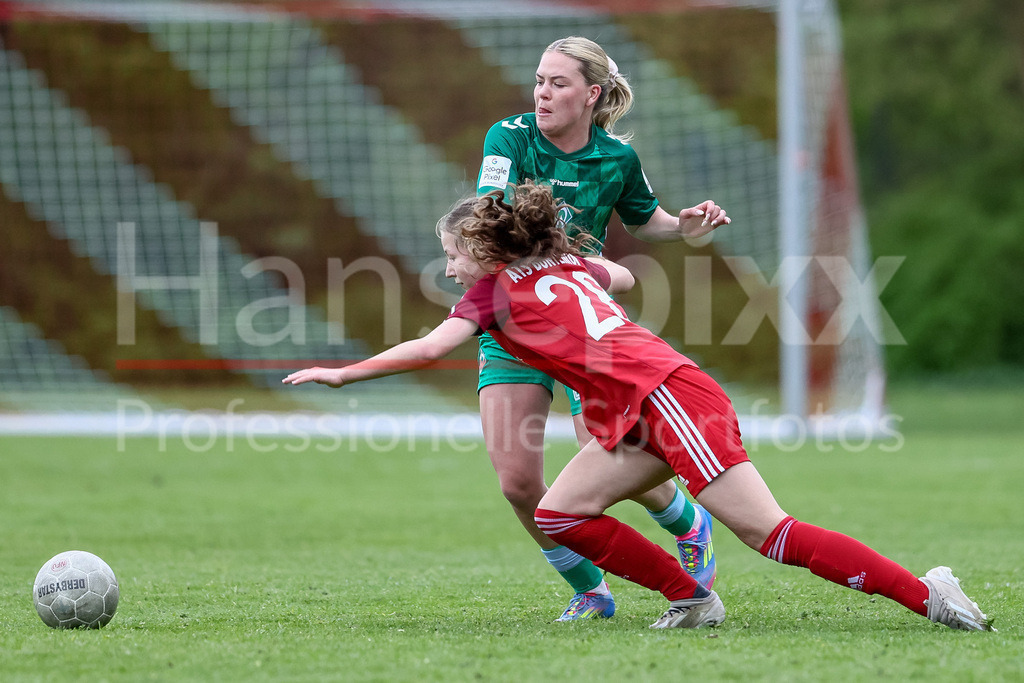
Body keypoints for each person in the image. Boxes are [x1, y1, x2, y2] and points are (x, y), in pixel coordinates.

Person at [283, 182, 993, 632]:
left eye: (452, 254)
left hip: (668, 397)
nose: (449, 268)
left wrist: (343, 375)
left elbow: (428, 349)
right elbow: (617, 272)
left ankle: (927, 591)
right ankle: (693, 598)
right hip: (641, 409)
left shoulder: (490, 292)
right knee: (558, 513)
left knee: (769, 534)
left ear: (483, 248)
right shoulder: (567, 263)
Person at [472, 35, 730, 620]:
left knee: (606, 459)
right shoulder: (508, 138)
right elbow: (489, 213)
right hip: (512, 323)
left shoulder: (616, 158)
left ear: (591, 94)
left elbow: (650, 221)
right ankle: (591, 591)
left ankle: (688, 523)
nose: (542, 92)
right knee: (517, 483)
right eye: (539, 80)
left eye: (557, 83)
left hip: (581, 328)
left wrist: (686, 226)